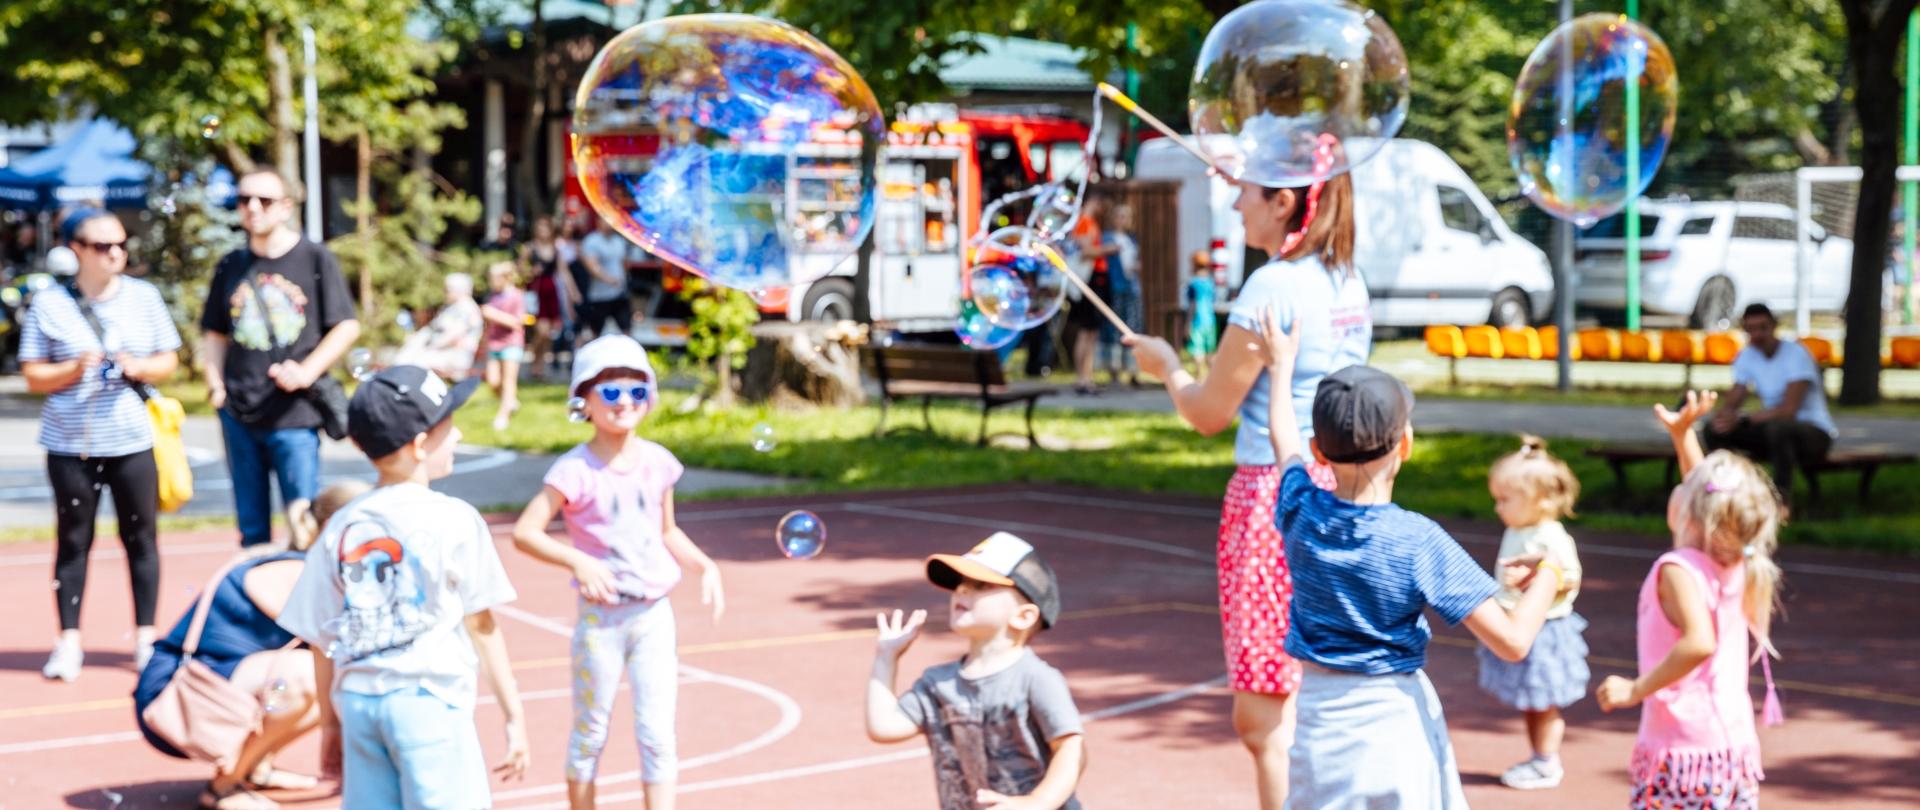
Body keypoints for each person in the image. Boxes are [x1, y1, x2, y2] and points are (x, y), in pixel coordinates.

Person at [1124, 165, 1370, 809]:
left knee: (1263, 717)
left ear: (1283, 203)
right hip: (1345, 489)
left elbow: (1208, 413)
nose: (1235, 204)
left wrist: (1167, 366)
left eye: (1246, 192)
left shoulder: (1272, 285)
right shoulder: (1345, 277)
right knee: (1324, 688)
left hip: (1275, 497)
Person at [1257, 332, 1561, 809]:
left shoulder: (1299, 508)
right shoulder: (1417, 540)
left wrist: (1280, 368)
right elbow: (1512, 641)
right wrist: (1549, 577)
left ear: (1319, 451)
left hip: (1319, 721)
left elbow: (1282, 439)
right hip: (1393, 727)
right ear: (1406, 445)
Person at [276, 364, 529, 809]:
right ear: (418, 445)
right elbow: (482, 625)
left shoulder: (341, 525)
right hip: (427, 700)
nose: (457, 436)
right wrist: (514, 715)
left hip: (359, 703)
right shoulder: (454, 518)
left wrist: (331, 724)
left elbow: (319, 638)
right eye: (447, 428)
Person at [510, 335, 724, 810]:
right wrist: (577, 560)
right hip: (600, 621)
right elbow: (526, 532)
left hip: (653, 617)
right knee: (590, 734)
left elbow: (668, 530)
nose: (624, 401)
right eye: (608, 391)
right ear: (582, 401)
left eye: (636, 389)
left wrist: (704, 565)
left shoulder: (660, 464)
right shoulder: (573, 471)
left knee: (658, 735)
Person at [1597, 390, 1786, 809]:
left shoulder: (1679, 568)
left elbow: (1700, 641)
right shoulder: (1734, 558)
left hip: (1685, 753)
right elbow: (1712, 497)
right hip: (1729, 746)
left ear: (1689, 512)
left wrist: (1636, 689)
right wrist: (1683, 436)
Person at [135, 480, 368, 810]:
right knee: (309, 676)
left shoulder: (308, 567)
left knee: (324, 683)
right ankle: (223, 786)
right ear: (336, 527)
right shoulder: (299, 573)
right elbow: (335, 650)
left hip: (214, 688)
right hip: (172, 698)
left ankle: (255, 767)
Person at [21, 209, 182, 682]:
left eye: (120, 245)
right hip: (71, 443)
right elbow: (33, 374)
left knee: (141, 538)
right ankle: (69, 640)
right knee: (74, 540)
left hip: (131, 440)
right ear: (77, 251)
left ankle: (146, 639)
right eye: (102, 246)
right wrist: (75, 368)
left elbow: (169, 359)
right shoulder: (51, 303)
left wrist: (138, 367)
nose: (115, 254)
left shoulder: (144, 297)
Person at [865, 532, 1086, 810]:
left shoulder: (1036, 678)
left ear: (1024, 616)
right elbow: (884, 727)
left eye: (981, 585)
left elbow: (1071, 748)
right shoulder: (938, 683)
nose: (962, 590)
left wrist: (1037, 803)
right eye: (961, 583)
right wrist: (886, 658)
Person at [201, 169, 360, 547]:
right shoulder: (231, 265)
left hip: (294, 414)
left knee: (303, 524)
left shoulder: (315, 258)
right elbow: (214, 332)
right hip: (240, 411)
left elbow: (346, 326)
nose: (252, 208)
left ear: (286, 207)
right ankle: (257, 598)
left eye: (264, 200)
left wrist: (307, 371)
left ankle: (302, 597)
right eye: (243, 200)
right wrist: (215, 386)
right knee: (251, 527)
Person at [1477, 436, 1588, 791]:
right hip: (1520, 625)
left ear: (1538, 500)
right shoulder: (1518, 528)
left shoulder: (1550, 536)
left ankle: (1546, 762)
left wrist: (1538, 580)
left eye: (1505, 500)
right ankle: (1539, 756)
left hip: (1545, 631)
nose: (1498, 508)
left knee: (1543, 703)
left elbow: (1569, 578)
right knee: (1532, 703)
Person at [1703, 303, 1836, 494]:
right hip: (1773, 432)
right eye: (1751, 329)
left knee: (1779, 429)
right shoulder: (1747, 356)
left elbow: (1789, 410)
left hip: (1813, 433)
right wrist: (1723, 418)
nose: (1757, 334)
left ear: (1774, 326)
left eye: (1762, 328)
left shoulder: (1795, 354)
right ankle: (1725, 493)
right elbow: (1736, 395)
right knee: (1715, 430)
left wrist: (1742, 420)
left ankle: (1781, 501)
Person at [1065, 195, 1111, 395]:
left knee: (1091, 333)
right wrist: (1109, 249)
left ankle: (1087, 376)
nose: (1098, 204)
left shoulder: (1089, 222)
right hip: (1091, 280)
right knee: (1086, 332)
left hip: (1097, 278)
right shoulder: (1083, 221)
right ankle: (1082, 378)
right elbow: (1086, 251)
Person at [526, 217, 580, 381]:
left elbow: (563, 271)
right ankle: (533, 360)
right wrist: (530, 272)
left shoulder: (556, 248)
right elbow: (520, 270)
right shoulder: (529, 248)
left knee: (550, 333)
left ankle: (539, 368)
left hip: (551, 292)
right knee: (541, 331)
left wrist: (573, 292)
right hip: (536, 292)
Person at [1098, 202, 1141, 389]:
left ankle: (1132, 369)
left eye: (1126, 216)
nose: (1123, 220)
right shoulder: (1107, 237)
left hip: (1131, 287)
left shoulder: (1131, 239)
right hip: (1115, 287)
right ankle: (1113, 369)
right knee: (1114, 327)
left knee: (1132, 326)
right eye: (1119, 215)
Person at [481, 261, 527, 431]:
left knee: (509, 381)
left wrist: (494, 315)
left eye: (493, 278)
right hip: (494, 342)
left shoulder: (516, 296)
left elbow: (518, 323)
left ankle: (503, 414)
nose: (491, 281)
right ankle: (510, 402)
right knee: (493, 381)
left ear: (505, 278)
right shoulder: (494, 296)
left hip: (511, 343)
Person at [577, 217, 637, 342]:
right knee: (594, 333)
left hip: (619, 294)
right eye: (606, 220)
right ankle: (584, 357)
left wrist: (624, 280)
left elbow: (623, 263)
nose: (610, 223)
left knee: (627, 331)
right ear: (599, 222)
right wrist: (609, 279)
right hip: (600, 296)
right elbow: (592, 266)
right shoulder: (592, 241)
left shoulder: (619, 241)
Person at [1185, 251, 1219, 377]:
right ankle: (1212, 377)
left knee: (1197, 350)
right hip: (1210, 321)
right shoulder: (1211, 283)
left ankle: (1200, 377)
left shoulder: (1193, 283)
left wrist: (1187, 324)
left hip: (1197, 321)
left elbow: (1192, 305)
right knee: (1210, 350)